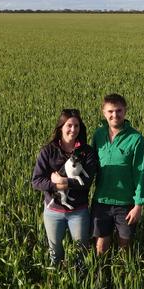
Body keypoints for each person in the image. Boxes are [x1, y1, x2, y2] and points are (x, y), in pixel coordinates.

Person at [32, 109, 98, 265]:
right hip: (53, 212)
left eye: (76, 126)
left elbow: (87, 182)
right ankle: (56, 280)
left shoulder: (86, 152)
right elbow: (36, 181)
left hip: (79, 212)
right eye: (69, 125)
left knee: (81, 253)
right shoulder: (48, 151)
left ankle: (80, 282)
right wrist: (55, 184)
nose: (73, 130)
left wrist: (63, 182)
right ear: (61, 127)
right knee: (55, 253)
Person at [91, 93, 144, 255]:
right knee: (101, 246)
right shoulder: (98, 136)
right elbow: (91, 166)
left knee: (125, 246)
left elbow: (142, 173)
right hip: (101, 201)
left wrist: (138, 205)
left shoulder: (136, 139)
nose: (114, 115)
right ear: (103, 112)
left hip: (126, 204)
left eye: (118, 110)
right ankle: (100, 276)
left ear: (125, 111)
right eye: (110, 111)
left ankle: (123, 276)